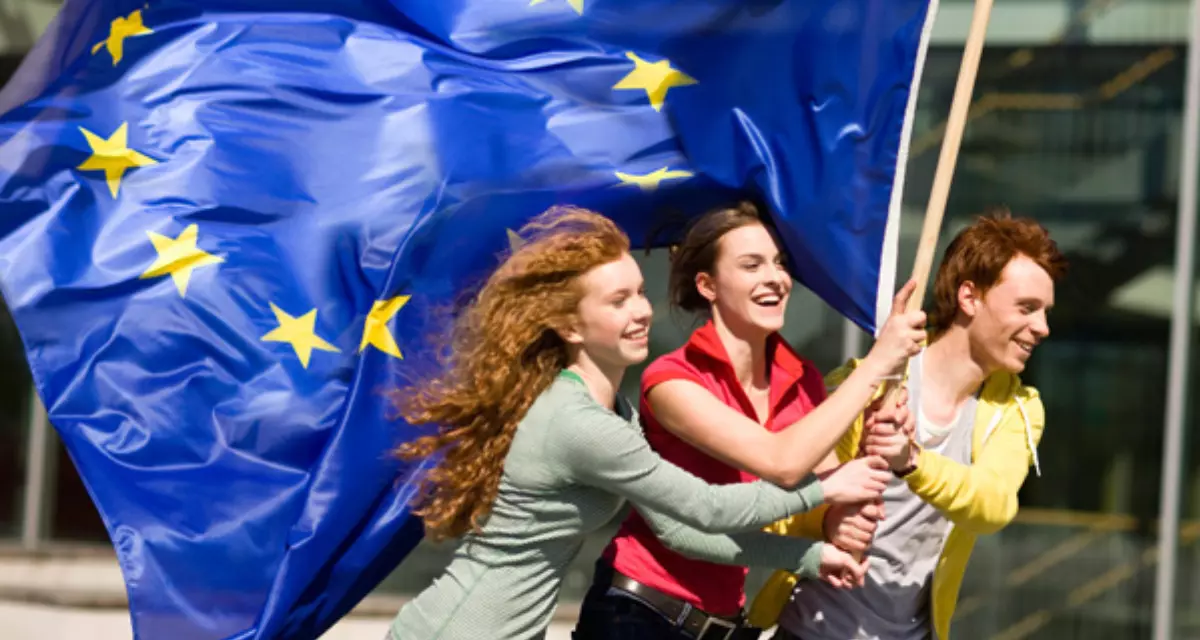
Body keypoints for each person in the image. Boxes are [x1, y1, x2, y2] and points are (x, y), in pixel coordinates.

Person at [386, 206, 905, 640]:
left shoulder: (615, 412)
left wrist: (810, 556)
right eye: (618, 301)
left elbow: (683, 530)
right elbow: (709, 506)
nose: (641, 311)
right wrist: (826, 488)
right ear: (570, 326)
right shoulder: (579, 423)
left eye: (638, 292)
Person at [574, 201, 927, 640]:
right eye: (751, 265)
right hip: (638, 614)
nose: (775, 277)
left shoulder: (802, 380)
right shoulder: (671, 381)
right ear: (707, 285)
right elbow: (782, 463)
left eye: (780, 263)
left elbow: (818, 497)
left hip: (726, 623)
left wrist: (871, 467)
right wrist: (877, 364)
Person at [747, 208, 1068, 640]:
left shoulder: (1019, 408)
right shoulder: (869, 383)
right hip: (813, 628)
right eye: (1027, 308)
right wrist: (827, 522)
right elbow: (781, 502)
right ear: (970, 297)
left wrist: (911, 461)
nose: (1042, 327)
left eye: (1045, 312)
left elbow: (994, 505)